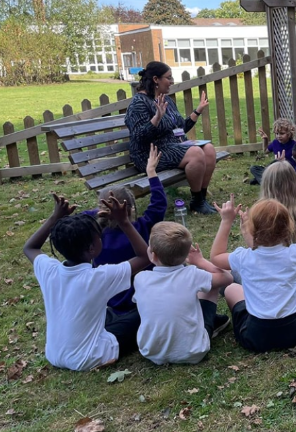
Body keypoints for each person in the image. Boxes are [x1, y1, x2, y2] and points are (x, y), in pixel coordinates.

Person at [23, 194, 150, 371]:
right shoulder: (98, 277)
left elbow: (30, 247)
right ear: (92, 248)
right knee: (146, 310)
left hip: (54, 355)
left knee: (109, 315)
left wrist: (54, 217)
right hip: (90, 358)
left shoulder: (49, 270)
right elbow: (145, 256)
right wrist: (124, 222)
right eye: (100, 236)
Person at [210, 192, 296, 353]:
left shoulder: (244, 257)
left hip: (255, 336)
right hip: (295, 332)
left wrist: (226, 222)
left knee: (231, 289)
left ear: (252, 230)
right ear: (288, 226)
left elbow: (216, 257)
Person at [132, 222, 232, 365]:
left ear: (153, 255)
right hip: (193, 352)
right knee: (211, 286)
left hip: (151, 353)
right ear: (185, 256)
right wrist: (200, 261)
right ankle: (209, 326)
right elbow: (227, 278)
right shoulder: (193, 274)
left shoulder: (140, 279)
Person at [82, 144, 166, 314]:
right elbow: (159, 204)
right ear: (131, 209)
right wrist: (151, 172)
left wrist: (102, 211)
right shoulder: (143, 227)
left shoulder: (95, 235)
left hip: (110, 302)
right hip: (145, 300)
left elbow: (80, 216)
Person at [124, 61, 216, 214]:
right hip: (150, 154)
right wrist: (156, 118)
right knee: (196, 153)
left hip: (172, 146)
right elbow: (139, 137)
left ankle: (201, 199)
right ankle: (197, 202)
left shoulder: (166, 99)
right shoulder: (138, 103)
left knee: (209, 150)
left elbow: (180, 128)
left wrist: (197, 111)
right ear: (155, 80)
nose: (172, 81)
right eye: (169, 77)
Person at [250, 118, 296, 184]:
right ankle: (266, 180)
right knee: (253, 168)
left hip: (287, 172)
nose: (278, 136)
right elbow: (265, 151)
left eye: (282, 133)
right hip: (275, 170)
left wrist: (283, 162)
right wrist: (265, 140)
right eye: (277, 133)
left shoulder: (294, 145)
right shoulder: (275, 143)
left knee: (275, 162)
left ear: (289, 133)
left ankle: (264, 180)